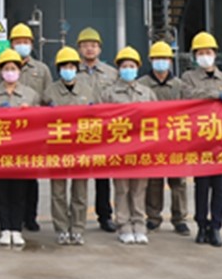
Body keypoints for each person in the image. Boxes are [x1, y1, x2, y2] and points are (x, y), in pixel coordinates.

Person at [0, 23, 52, 232]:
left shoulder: (41, 70)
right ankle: (8, 224)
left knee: (29, 180)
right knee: (5, 184)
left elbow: (47, 99)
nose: (22, 45)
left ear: (31, 44)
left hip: (30, 135)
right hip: (3, 137)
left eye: (25, 42)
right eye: (18, 42)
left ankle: (29, 217)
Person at [180, 31, 222, 248]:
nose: (205, 56)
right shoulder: (188, 78)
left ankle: (215, 227)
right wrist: (213, 95)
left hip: (221, 141)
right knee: (201, 186)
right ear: (195, 56)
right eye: (200, 53)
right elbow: (187, 97)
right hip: (200, 141)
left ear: (215, 54)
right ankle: (201, 226)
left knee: (219, 188)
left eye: (208, 52)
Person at [0, 49, 40, 247]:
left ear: (19, 71)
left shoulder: (30, 95)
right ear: (1, 71)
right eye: (6, 68)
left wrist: (30, 112)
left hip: (22, 152)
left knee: (19, 192)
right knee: (2, 191)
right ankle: (4, 229)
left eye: (13, 68)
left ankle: (16, 229)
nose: (10, 72)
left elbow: (40, 122)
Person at [99, 46, 155, 245]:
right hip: (119, 149)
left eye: (132, 66)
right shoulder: (108, 93)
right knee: (122, 188)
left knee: (139, 188)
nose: (128, 69)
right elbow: (102, 120)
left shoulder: (147, 93)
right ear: (119, 69)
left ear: (138, 68)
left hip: (141, 149)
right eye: (125, 66)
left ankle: (139, 224)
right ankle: (123, 225)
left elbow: (157, 119)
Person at [42, 46, 95, 245]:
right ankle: (62, 228)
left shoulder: (87, 91)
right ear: (59, 69)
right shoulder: (50, 92)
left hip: (82, 149)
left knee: (80, 191)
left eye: (72, 66)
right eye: (64, 66)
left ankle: (78, 228)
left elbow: (97, 117)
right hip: (57, 148)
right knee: (58, 192)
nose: (68, 69)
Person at [138, 41, 191, 236]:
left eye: (164, 58)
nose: (161, 62)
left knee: (178, 182)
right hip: (151, 140)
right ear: (150, 60)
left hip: (175, 140)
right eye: (157, 58)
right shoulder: (142, 85)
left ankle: (179, 219)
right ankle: (153, 217)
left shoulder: (180, 86)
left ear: (170, 61)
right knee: (153, 182)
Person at [76, 26, 119, 232]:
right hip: (80, 130)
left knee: (103, 176)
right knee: (80, 176)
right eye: (85, 45)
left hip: (105, 131)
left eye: (93, 45)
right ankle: (78, 217)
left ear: (100, 49)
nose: (89, 49)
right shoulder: (72, 71)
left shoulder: (112, 73)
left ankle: (105, 215)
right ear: (79, 49)